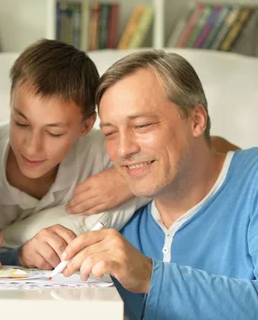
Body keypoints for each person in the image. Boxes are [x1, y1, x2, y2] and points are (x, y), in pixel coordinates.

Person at [58, 50, 257, 320]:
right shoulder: (117, 214)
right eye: (110, 133)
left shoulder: (252, 182)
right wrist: (22, 253)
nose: (124, 149)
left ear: (196, 120)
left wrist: (149, 275)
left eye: (142, 125)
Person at [0, 40, 148, 271]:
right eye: (21, 123)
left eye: (54, 133)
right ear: (10, 101)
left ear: (86, 125)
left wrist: (128, 180)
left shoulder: (102, 150)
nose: (32, 147)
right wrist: (16, 255)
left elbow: (193, 151)